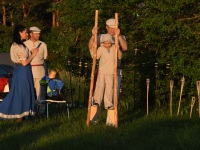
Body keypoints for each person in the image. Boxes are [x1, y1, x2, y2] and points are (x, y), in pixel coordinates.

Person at [88, 18, 128, 125]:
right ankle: (93, 120)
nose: (113, 30)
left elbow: (125, 47)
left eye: (115, 28)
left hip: (115, 71)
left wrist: (118, 36)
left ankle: (110, 123)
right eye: (111, 28)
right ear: (106, 27)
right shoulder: (101, 37)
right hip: (102, 70)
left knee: (112, 96)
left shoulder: (120, 37)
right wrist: (93, 35)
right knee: (98, 95)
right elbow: (91, 46)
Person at [0, 25, 38, 121]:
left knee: (24, 91)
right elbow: (24, 62)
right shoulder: (18, 46)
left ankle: (23, 114)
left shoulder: (19, 44)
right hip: (23, 71)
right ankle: (19, 115)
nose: (27, 34)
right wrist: (33, 55)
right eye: (25, 32)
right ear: (20, 33)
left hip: (22, 71)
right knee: (21, 92)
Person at [90, 34, 122, 122]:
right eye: (105, 43)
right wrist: (93, 48)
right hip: (102, 71)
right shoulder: (101, 49)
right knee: (99, 86)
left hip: (111, 72)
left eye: (109, 43)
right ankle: (97, 101)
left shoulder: (114, 48)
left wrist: (118, 49)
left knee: (109, 88)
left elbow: (120, 56)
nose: (107, 45)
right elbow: (94, 56)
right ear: (103, 43)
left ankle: (108, 103)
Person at [24, 26, 48, 114]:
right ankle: (29, 110)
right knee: (28, 91)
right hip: (29, 70)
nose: (39, 35)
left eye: (39, 33)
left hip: (40, 71)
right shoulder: (25, 44)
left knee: (41, 92)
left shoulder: (43, 45)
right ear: (31, 34)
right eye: (36, 34)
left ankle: (41, 111)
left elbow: (45, 58)